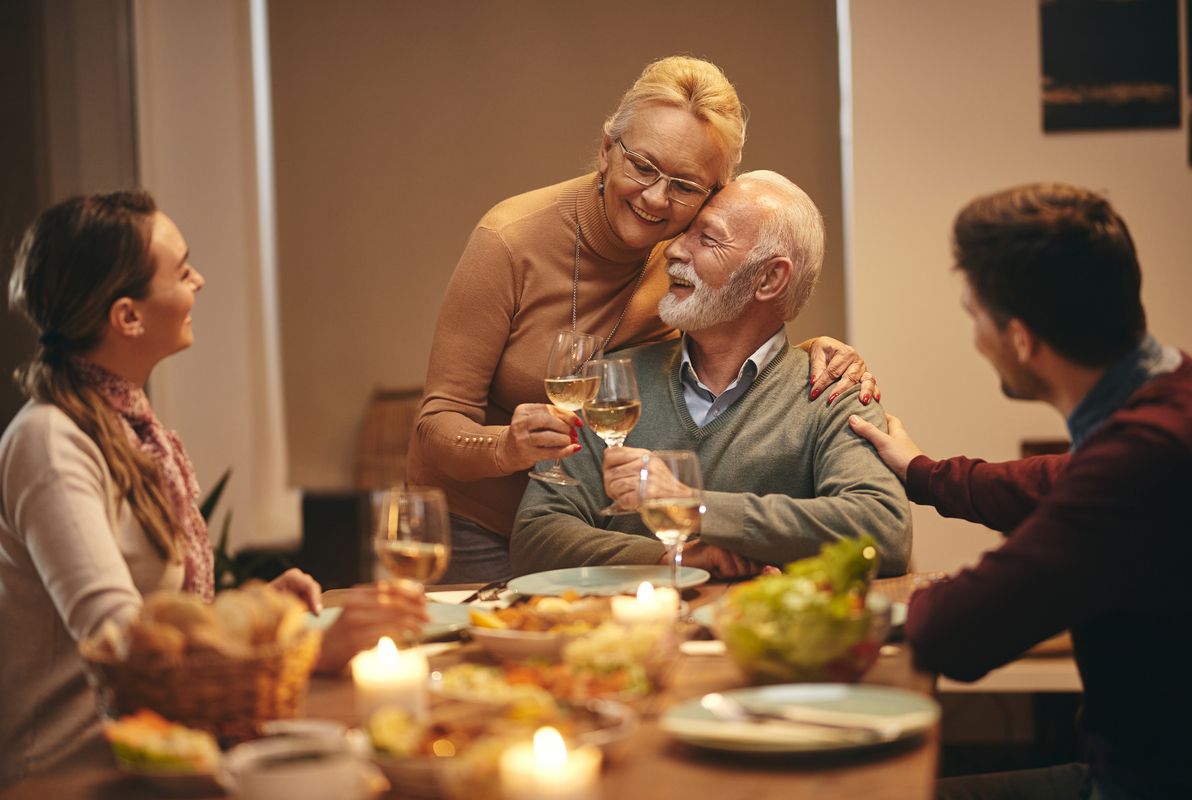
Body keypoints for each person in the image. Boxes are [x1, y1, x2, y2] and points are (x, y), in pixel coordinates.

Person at [0, 191, 426, 785]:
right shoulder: (51, 441)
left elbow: (163, 619)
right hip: (84, 772)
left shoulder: (127, 427)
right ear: (128, 316)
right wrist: (305, 650)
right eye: (180, 271)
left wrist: (252, 615)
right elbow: (130, 646)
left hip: (165, 750)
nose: (198, 281)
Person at [409, 55, 881, 583]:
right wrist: (505, 447)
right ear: (607, 150)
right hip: (475, 519)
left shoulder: (678, 251)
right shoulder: (509, 240)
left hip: (594, 528)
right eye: (643, 167)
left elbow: (745, 311)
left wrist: (810, 354)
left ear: (712, 193)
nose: (656, 198)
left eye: (684, 185)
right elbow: (435, 423)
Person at [848, 183, 1192, 799]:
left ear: (1020, 339)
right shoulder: (1173, 399)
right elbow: (1057, 482)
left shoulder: (1137, 461)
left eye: (974, 315)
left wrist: (866, 609)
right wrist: (921, 472)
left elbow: (959, 633)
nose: (975, 336)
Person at [511, 171, 912, 578]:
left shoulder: (833, 389)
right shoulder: (613, 383)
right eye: (686, 232)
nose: (673, 250)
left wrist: (696, 507)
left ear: (770, 278)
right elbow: (536, 534)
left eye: (706, 238)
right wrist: (671, 560)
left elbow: (883, 531)